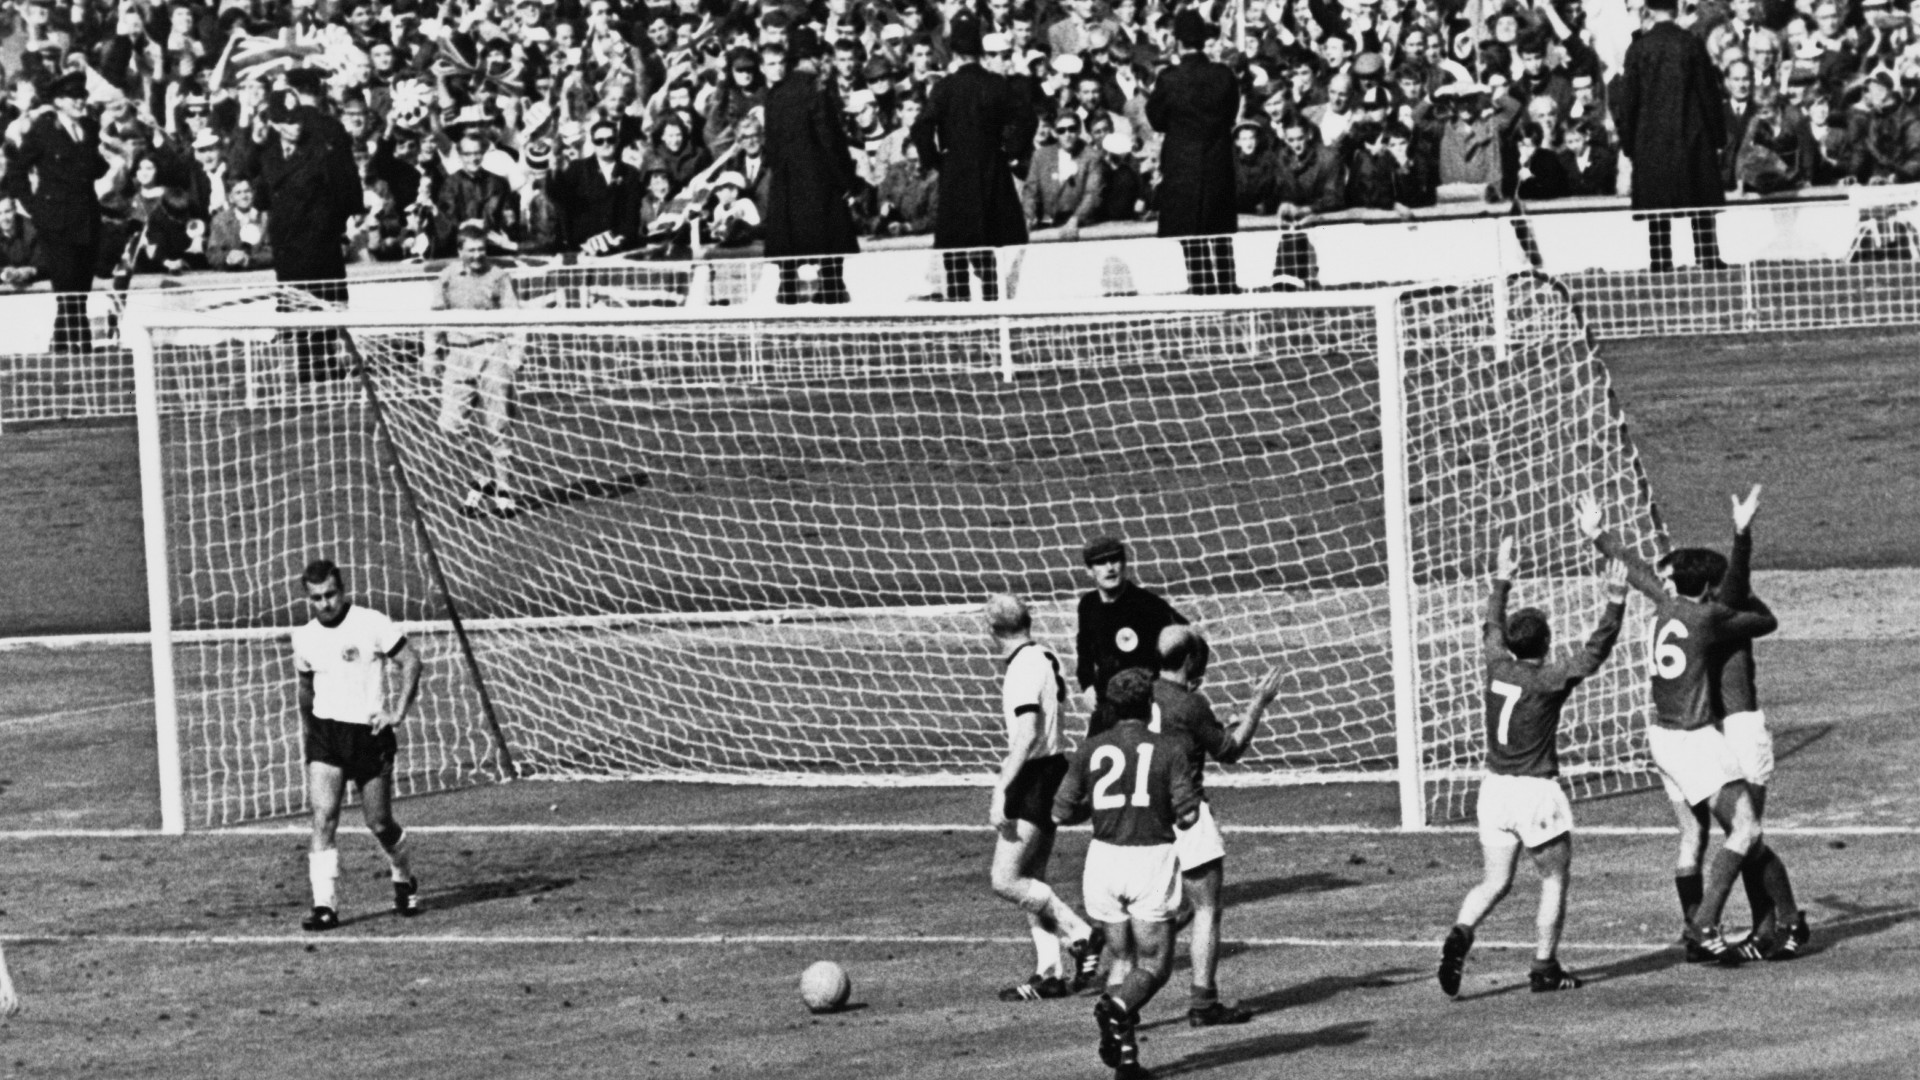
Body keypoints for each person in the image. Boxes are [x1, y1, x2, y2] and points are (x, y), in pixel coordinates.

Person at [1577, 487, 1793, 961]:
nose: (1664, 579)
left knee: (1702, 836)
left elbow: (1639, 573)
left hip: (1669, 734)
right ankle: (1727, 923)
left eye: (1670, 575)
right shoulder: (1709, 617)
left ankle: (1735, 926)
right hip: (1701, 736)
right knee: (1747, 833)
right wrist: (1741, 534)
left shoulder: (1666, 605)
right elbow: (1764, 618)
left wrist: (1599, 537)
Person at [1438, 537, 1629, 998]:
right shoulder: (1546, 680)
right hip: (1534, 793)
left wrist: (1502, 577)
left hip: (1494, 791)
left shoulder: (1495, 666)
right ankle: (1544, 966)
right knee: (1554, 877)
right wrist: (1615, 604)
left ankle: (1462, 931)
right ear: (1546, 644)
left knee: (1495, 881)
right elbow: (1592, 655)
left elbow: (1489, 626)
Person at [1052, 669, 1198, 1080]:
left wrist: (1098, 809)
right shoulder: (1168, 749)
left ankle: (1128, 1063)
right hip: (1148, 858)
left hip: (1102, 861)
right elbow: (1187, 815)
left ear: (1111, 707)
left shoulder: (1092, 748)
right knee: (1154, 966)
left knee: (1122, 960)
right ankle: (1114, 1008)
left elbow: (1060, 813)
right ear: (1150, 704)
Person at [1151, 626, 1282, 1025]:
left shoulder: (1141, 693)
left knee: (1152, 909)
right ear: (1189, 661)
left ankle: (1127, 1000)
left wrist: (1212, 726)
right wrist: (1258, 704)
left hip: (1144, 816)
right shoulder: (1190, 704)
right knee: (1206, 907)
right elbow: (1231, 750)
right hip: (1186, 814)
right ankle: (1204, 1002)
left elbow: (1181, 733)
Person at [291, 558, 424, 931]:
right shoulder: (304, 637)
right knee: (324, 817)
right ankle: (325, 906)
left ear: (342, 590)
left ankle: (403, 874)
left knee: (379, 823)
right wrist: (309, 734)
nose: (324, 604)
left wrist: (397, 713)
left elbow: (411, 662)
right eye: (316, 598)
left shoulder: (371, 623)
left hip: (368, 736)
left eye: (330, 594)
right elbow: (305, 689)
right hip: (325, 736)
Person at [984, 594, 1103, 1002]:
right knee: (1034, 878)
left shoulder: (1020, 668)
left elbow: (1028, 731)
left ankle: (1081, 934)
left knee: (1006, 878)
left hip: (1033, 775)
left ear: (993, 631)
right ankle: (1049, 973)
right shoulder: (1044, 655)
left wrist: (1002, 787)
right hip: (1053, 770)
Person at [910, 14, 1033, 301]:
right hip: (992, 169)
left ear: (953, 50)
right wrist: (1010, 151)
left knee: (955, 253)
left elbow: (921, 128)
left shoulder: (945, 87)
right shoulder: (996, 84)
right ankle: (993, 312)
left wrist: (936, 162)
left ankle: (961, 315)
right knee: (990, 249)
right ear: (980, 49)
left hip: (956, 174)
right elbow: (1027, 119)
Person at [1612, 0, 1728, 272]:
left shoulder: (1638, 48)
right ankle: (1708, 255)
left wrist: (1629, 144)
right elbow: (1708, 93)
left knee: (1657, 209)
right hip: (1693, 133)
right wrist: (1718, 137)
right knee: (1701, 204)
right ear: (1676, 9)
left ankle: (1660, 260)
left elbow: (1627, 103)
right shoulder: (1691, 44)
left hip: (1650, 138)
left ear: (1649, 10)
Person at [254, 91, 359, 382]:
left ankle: (326, 364)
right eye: (286, 121)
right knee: (298, 310)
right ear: (274, 124)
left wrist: (332, 229)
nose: (295, 126)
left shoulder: (320, 151)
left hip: (320, 243)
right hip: (287, 248)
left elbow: (343, 192)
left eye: (298, 119)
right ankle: (305, 367)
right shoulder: (268, 155)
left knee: (325, 307)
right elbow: (262, 200)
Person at [3, 72, 106, 354]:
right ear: (59, 101)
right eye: (74, 97)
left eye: (82, 96)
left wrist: (105, 157)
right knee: (67, 283)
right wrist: (34, 207)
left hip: (86, 216)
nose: (80, 102)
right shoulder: (43, 131)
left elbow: (94, 168)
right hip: (55, 220)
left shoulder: (89, 127)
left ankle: (60, 345)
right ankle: (81, 343)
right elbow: (16, 169)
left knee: (81, 285)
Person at [428, 223, 525, 520]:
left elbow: (513, 314)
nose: (476, 255)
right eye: (470, 250)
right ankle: (481, 476)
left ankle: (504, 491)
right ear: (460, 251)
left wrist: (515, 353)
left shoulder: (498, 277)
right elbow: (434, 318)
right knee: (450, 424)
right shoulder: (447, 277)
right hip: (458, 352)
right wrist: (430, 354)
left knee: (497, 424)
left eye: (481, 249)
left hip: (491, 350)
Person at [761, 39, 861, 305]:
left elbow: (770, 146)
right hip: (820, 182)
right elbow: (830, 141)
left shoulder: (775, 94)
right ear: (814, 59)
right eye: (824, 60)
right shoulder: (816, 91)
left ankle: (788, 292)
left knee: (788, 251)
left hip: (786, 181)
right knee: (830, 250)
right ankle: (831, 290)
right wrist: (846, 181)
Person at [1147, 10, 1239, 295]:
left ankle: (1200, 290)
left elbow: (1156, 118)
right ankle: (1226, 288)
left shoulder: (1169, 78)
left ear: (1177, 42)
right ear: (1203, 39)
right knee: (1220, 234)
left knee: (1191, 237)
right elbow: (1231, 114)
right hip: (1217, 160)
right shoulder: (1223, 75)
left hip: (1182, 165)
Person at [1075, 536, 1187, 737]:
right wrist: (1087, 685)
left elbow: (1187, 636)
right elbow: (1084, 649)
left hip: (1144, 706)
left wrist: (1176, 684)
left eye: (1115, 560)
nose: (1110, 568)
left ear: (1124, 563)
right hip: (1106, 703)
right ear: (1089, 570)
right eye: (1101, 562)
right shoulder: (1088, 605)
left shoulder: (1147, 605)